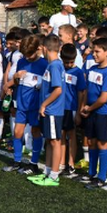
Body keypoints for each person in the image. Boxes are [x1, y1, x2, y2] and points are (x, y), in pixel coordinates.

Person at [2, 34, 47, 175]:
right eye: (25, 54)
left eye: (29, 54)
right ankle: (17, 161)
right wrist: (15, 78)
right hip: (21, 104)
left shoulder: (44, 64)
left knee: (35, 132)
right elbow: (16, 82)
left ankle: (33, 163)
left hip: (34, 106)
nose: (27, 57)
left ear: (37, 49)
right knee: (17, 132)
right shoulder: (21, 62)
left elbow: (48, 86)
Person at [79, 37, 107, 189]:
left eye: (97, 51)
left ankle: (102, 177)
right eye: (93, 51)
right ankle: (92, 173)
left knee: (103, 144)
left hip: (104, 113)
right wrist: (84, 106)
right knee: (92, 142)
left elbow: (103, 98)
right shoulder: (93, 69)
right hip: (92, 111)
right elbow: (87, 90)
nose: (93, 54)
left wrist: (89, 108)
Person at [28, 34, 65, 186]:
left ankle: (54, 176)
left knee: (55, 142)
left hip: (52, 111)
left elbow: (58, 90)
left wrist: (44, 105)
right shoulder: (52, 65)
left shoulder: (55, 65)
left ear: (44, 48)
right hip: (49, 111)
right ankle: (47, 172)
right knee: (49, 141)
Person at [59, 43, 86, 177]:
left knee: (72, 135)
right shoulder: (59, 69)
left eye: (71, 62)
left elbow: (81, 92)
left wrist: (79, 110)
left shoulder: (78, 72)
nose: (68, 64)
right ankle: (62, 162)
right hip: (60, 108)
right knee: (62, 135)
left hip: (71, 108)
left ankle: (71, 163)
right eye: (66, 62)